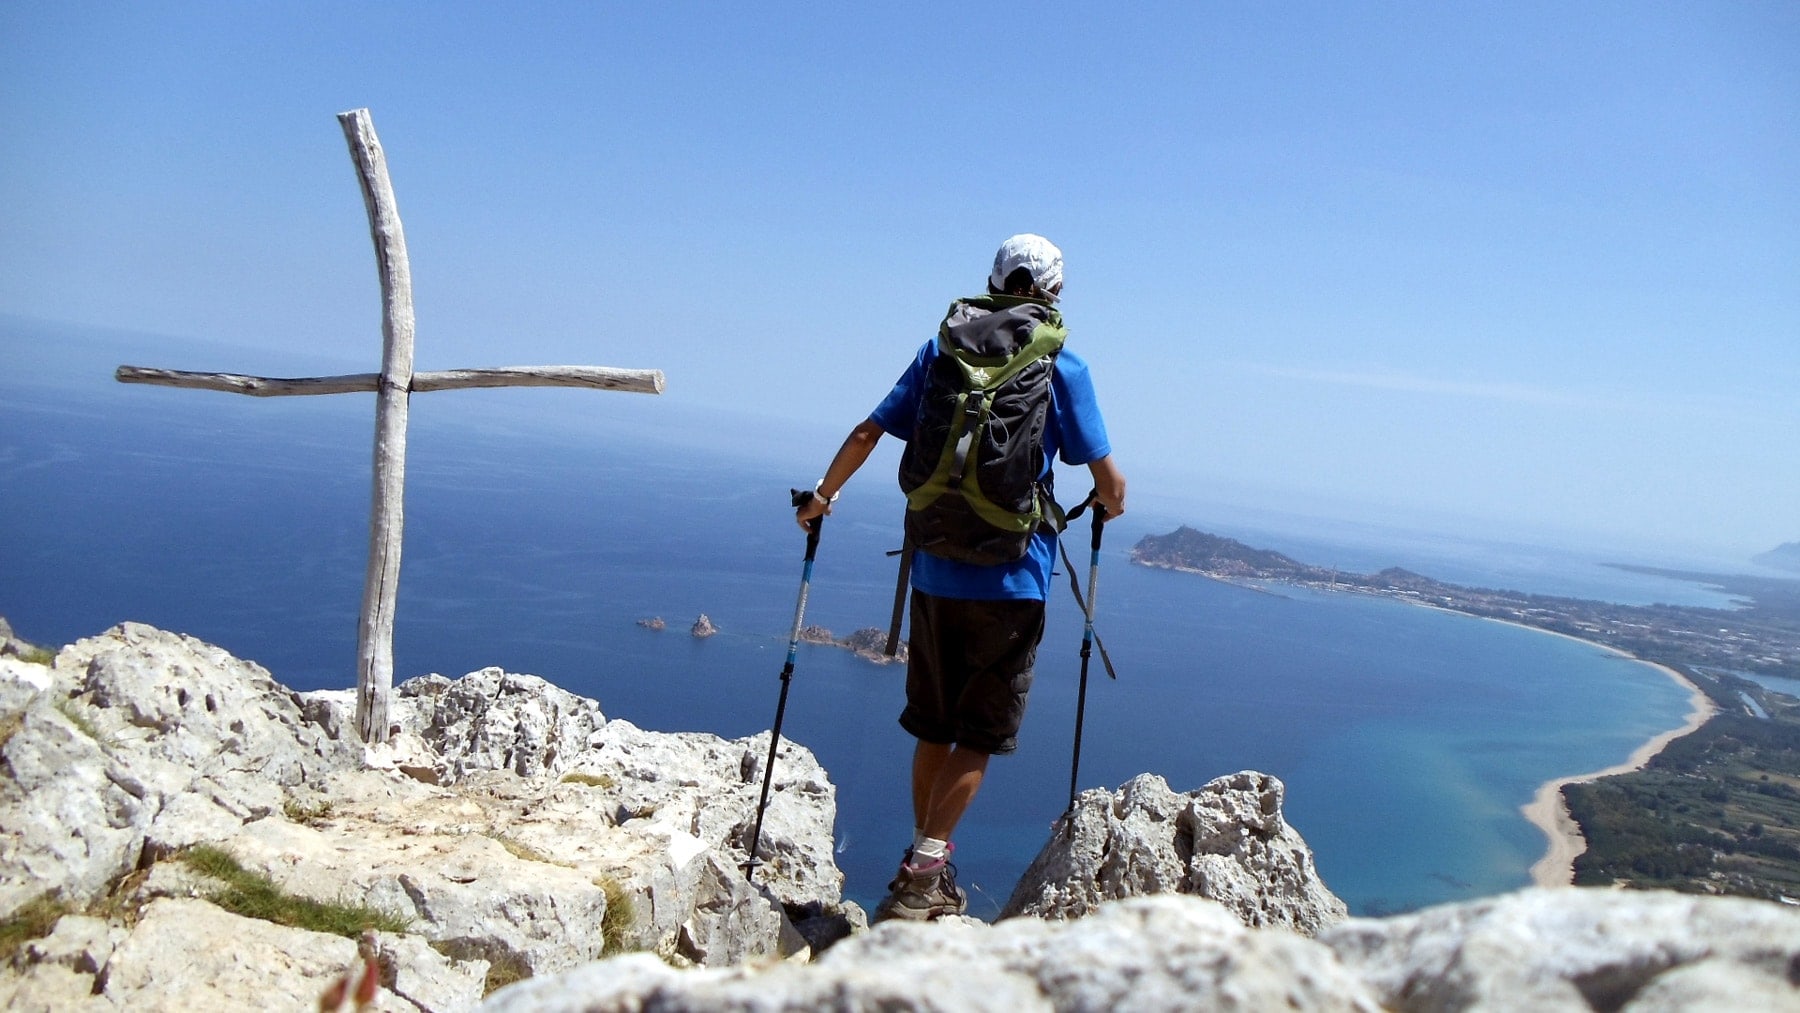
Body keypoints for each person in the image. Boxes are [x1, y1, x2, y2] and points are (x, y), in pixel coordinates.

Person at [794, 234, 1127, 920]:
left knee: (934, 726)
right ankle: (923, 872)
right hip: (1012, 580)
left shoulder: (939, 351)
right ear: (1055, 294)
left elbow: (867, 430)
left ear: (992, 281)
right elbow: (1110, 483)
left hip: (934, 569)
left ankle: (926, 863)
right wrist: (1106, 503)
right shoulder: (1064, 366)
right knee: (978, 733)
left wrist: (820, 498)